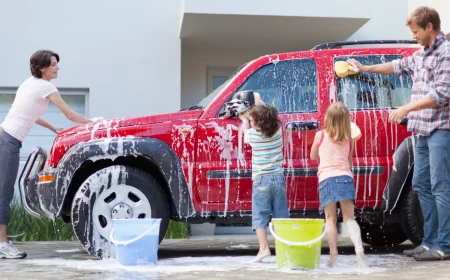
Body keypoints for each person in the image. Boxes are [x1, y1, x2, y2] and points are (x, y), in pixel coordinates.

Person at [347, 6, 450, 261]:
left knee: (440, 188)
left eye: (416, 31)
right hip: (422, 131)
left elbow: (442, 95)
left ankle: (444, 246)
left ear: (429, 27)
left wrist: (406, 107)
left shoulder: (445, 54)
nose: (414, 36)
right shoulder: (421, 54)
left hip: (440, 129)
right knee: (421, 186)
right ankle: (428, 242)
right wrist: (364, 69)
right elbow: (397, 66)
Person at [0, 50, 92, 259]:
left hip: (4, 136)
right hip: (9, 142)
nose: (57, 67)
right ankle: (2, 244)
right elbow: (70, 114)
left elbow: (28, 113)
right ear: (42, 68)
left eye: (57, 63)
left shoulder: (28, 83)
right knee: (4, 193)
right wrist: (94, 123)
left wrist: (51, 127)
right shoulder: (46, 87)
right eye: (53, 64)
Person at [310, 102, 368, 268]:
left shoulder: (320, 136)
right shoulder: (349, 139)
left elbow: (313, 156)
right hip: (345, 177)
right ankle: (358, 248)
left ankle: (333, 254)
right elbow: (348, 162)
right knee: (349, 218)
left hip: (327, 179)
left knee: (330, 219)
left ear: (328, 118)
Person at [240, 104, 288, 262]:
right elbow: (268, 117)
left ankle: (264, 248)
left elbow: (245, 130)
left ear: (258, 124)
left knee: (260, 215)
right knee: (281, 216)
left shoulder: (252, 136)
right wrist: (258, 106)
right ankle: (283, 250)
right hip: (278, 179)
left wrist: (243, 119)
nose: (251, 121)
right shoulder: (278, 132)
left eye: (253, 120)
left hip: (261, 180)